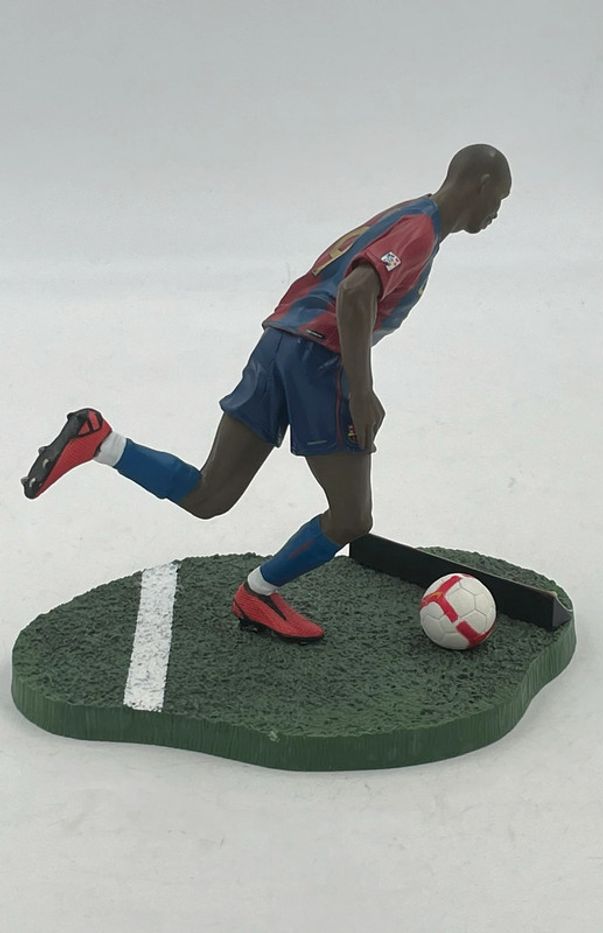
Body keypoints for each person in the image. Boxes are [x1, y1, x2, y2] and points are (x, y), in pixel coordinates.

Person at [21, 144, 512, 642]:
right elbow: (355, 292)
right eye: (501, 198)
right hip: (319, 360)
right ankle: (257, 594)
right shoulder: (420, 230)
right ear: (482, 185)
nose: (497, 212)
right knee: (351, 518)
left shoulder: (409, 214)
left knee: (210, 494)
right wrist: (361, 390)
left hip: (279, 342)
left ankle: (101, 441)